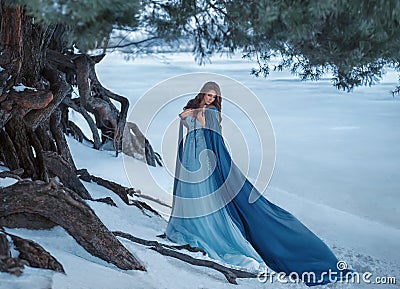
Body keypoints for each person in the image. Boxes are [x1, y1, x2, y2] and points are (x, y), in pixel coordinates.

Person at [165, 81, 353, 286]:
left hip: (203, 155)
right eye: (208, 95)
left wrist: (196, 114)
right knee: (190, 193)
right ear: (202, 92)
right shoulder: (193, 106)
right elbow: (185, 123)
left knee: (205, 196)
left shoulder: (210, 112)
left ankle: (204, 229)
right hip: (190, 155)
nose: (210, 99)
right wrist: (188, 115)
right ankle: (188, 224)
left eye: (214, 97)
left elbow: (205, 130)